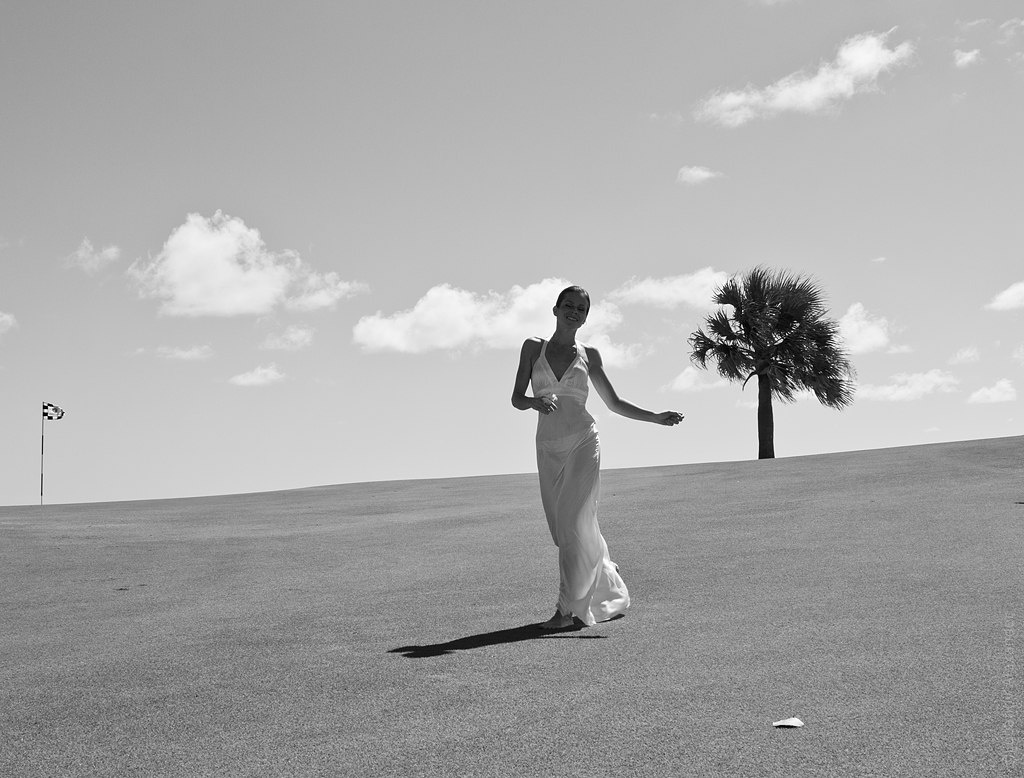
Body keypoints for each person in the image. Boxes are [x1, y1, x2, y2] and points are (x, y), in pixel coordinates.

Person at [511, 285, 684, 629]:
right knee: (564, 529)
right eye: (568, 305)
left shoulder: (589, 354)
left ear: (586, 317)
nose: (574, 312)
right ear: (555, 309)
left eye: (581, 309)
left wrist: (655, 417)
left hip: (583, 442)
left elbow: (614, 403)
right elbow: (516, 398)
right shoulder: (532, 347)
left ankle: (564, 612)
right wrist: (534, 402)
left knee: (572, 522)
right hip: (548, 447)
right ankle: (603, 566)